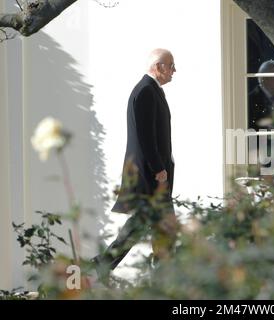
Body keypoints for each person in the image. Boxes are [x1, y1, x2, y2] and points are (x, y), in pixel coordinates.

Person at [92, 48, 178, 281]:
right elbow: (145, 136)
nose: (174, 71)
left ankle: (163, 276)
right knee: (146, 227)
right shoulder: (145, 92)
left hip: (155, 176)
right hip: (151, 177)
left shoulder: (152, 91)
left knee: (159, 228)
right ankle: (102, 266)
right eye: (171, 65)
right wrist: (158, 168)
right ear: (158, 67)